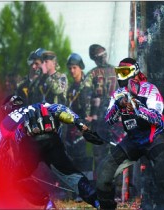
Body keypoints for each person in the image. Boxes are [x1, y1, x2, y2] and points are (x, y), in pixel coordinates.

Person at [96, 58, 164, 210]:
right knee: (104, 172)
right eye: (119, 72)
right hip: (133, 140)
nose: (120, 76)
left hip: (153, 137)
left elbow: (156, 118)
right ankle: (107, 207)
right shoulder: (118, 94)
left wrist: (136, 107)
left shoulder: (150, 89)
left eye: (124, 72)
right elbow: (109, 120)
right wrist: (119, 104)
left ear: (134, 71)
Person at [0, 94, 104, 209]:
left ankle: (48, 204)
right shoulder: (40, 105)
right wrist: (81, 125)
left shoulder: (6, 121)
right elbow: (62, 109)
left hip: (29, 144)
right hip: (52, 139)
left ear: (6, 108)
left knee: (17, 178)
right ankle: (98, 202)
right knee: (71, 174)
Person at [84, 44, 125, 184]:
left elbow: (86, 96)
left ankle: (102, 186)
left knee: (99, 154)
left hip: (99, 119)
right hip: (115, 119)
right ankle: (118, 186)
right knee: (117, 151)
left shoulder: (91, 74)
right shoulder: (117, 71)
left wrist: (88, 115)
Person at [65, 53, 94, 193]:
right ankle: (76, 190)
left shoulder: (89, 84)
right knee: (73, 158)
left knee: (86, 159)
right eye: (70, 68)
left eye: (74, 68)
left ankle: (88, 189)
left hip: (88, 127)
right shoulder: (71, 89)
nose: (72, 71)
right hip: (73, 127)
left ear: (80, 68)